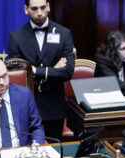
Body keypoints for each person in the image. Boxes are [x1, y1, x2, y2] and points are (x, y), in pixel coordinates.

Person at [5, 0, 74, 143]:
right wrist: (53, 70)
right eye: (34, 8)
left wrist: (34, 70)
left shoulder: (64, 34)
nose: (39, 13)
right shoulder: (16, 37)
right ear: (26, 9)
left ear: (48, 6)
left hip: (54, 107)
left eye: (43, 7)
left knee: (55, 154)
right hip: (27, 106)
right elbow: (18, 77)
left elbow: (67, 73)